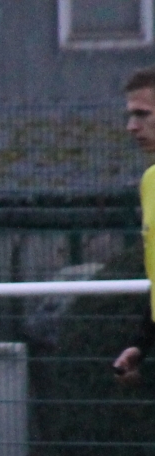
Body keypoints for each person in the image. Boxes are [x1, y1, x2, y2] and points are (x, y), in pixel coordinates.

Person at [113, 65, 155, 385]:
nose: (131, 127)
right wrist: (141, 343)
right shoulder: (150, 182)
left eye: (142, 114)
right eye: (131, 115)